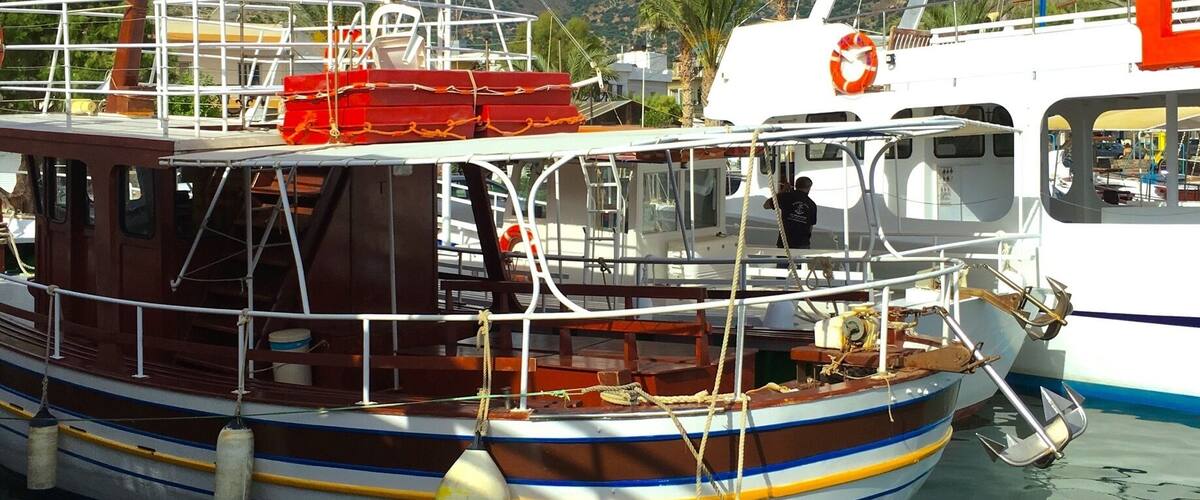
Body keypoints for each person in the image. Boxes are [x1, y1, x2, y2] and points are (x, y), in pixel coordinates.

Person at [763, 176, 817, 249]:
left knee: (783, 260)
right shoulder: (812, 205)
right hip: (803, 243)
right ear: (809, 188)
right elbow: (810, 226)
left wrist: (783, 191)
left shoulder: (785, 197)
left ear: (795, 185)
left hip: (785, 242)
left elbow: (766, 205)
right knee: (801, 261)